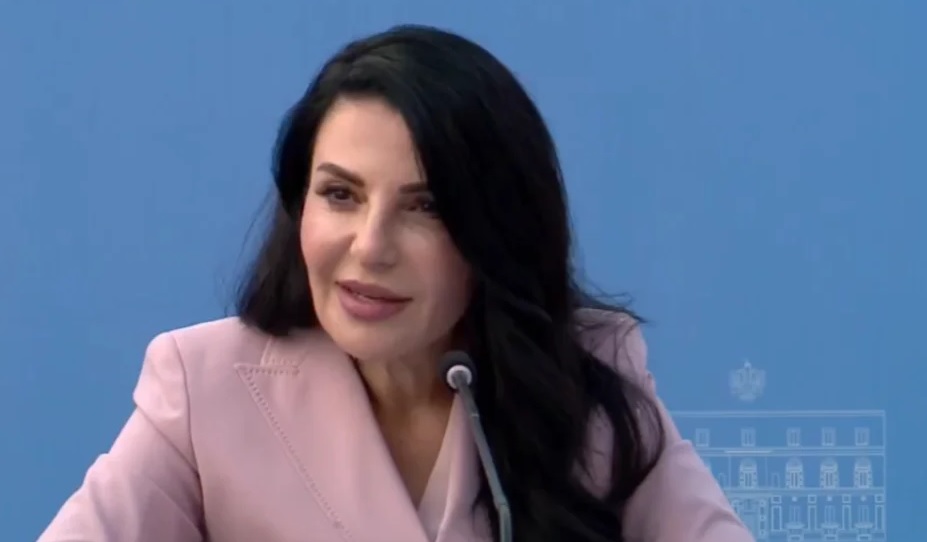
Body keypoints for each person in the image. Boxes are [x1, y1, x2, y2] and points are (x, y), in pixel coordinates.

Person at [38, 24, 752, 542]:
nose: (370, 247)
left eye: (426, 207)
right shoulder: (205, 388)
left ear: (496, 228)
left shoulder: (585, 371)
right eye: (340, 195)